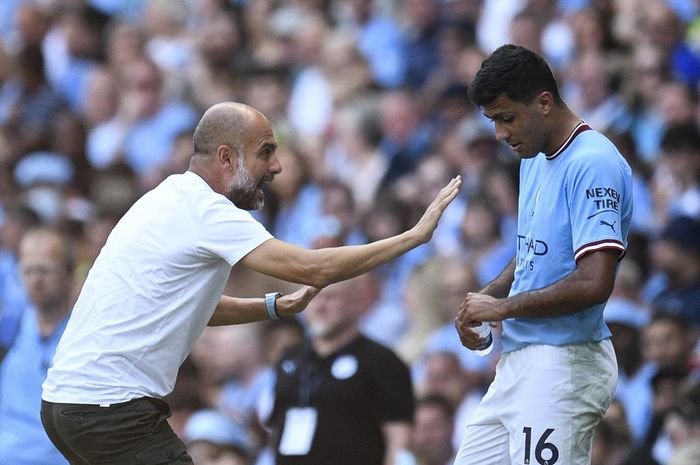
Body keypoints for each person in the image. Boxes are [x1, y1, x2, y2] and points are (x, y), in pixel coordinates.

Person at [40, 101, 461, 465]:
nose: (276, 166)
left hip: (65, 406)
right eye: (266, 153)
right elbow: (314, 269)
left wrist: (274, 307)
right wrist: (412, 237)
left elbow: (195, 308)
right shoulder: (209, 212)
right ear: (226, 158)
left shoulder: (165, 198)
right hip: (109, 410)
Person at [454, 44, 633, 465]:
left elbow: (594, 282)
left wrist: (502, 308)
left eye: (506, 117)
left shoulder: (593, 162)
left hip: (564, 364)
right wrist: (486, 298)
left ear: (544, 102)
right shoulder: (532, 157)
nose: (500, 133)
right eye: (493, 121)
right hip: (519, 360)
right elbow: (533, 253)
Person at [267, 278, 414, 465]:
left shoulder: (382, 361)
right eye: (312, 298)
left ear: (355, 301)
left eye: (330, 297)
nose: (320, 306)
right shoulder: (290, 358)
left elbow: (400, 439)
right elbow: (275, 429)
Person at [0, 226, 74, 465]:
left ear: (68, 273)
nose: (36, 280)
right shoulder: (9, 327)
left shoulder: (83, 333)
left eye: (45, 270)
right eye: (28, 271)